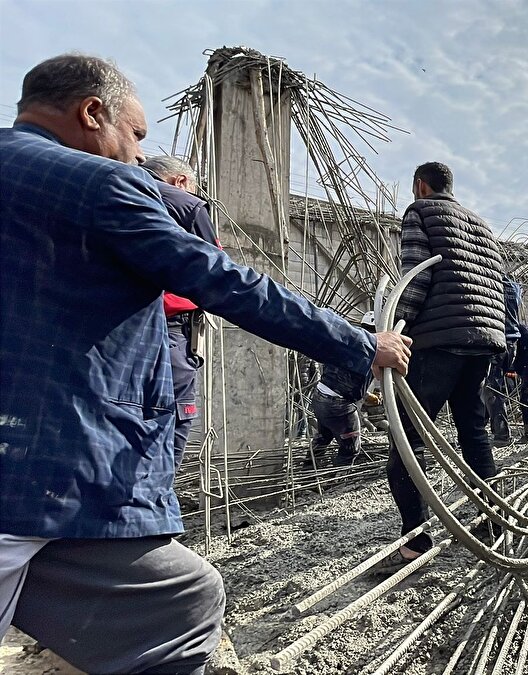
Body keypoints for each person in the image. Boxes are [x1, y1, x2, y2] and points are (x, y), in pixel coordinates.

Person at [0, 54, 412, 675]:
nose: (141, 156)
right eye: (135, 134)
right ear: (91, 113)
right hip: (47, 472)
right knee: (184, 602)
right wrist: (359, 344)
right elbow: (231, 283)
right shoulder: (105, 185)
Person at [386, 161, 508, 563]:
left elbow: (415, 277)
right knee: (473, 429)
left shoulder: (420, 212)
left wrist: (394, 327)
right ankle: (492, 519)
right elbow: (499, 286)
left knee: (409, 436)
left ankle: (416, 541)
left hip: (439, 339)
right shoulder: (482, 225)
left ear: (420, 185)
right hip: (486, 339)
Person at [141, 154, 221, 469]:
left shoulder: (116, 197)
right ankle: (156, 499)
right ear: (181, 182)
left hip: (126, 331)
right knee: (173, 422)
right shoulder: (186, 205)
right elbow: (217, 271)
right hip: (170, 331)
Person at [309, 311, 379, 468]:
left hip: (320, 395)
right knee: (351, 447)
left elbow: (342, 374)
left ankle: (307, 475)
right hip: (338, 405)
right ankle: (337, 483)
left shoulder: (349, 338)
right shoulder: (372, 348)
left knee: (323, 438)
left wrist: (366, 395)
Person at [484, 273, 522, 447]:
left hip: (497, 340)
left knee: (491, 389)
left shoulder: (490, 283)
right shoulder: (514, 287)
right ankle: (482, 427)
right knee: (488, 387)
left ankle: (501, 435)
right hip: (512, 341)